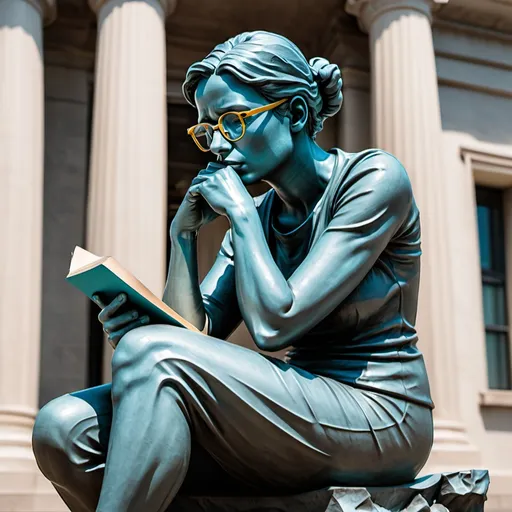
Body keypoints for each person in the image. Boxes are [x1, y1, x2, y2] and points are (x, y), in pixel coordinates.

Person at [32, 31, 434, 512]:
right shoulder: (256, 218)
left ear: (297, 114)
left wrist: (241, 216)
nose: (217, 145)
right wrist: (181, 239)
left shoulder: (374, 180)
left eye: (234, 122)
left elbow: (277, 323)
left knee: (153, 354)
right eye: (206, 129)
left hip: (381, 415)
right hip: (294, 411)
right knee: (63, 428)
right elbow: (192, 335)